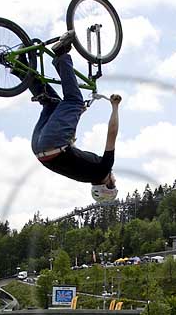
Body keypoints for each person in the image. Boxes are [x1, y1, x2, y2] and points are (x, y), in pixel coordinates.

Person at [19, 30, 120, 202]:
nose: (114, 179)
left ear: (107, 185)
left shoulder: (103, 168)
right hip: (39, 150)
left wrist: (115, 107)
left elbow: (112, 132)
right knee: (52, 103)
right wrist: (75, 120)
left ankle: (61, 54)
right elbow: (68, 150)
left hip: (54, 143)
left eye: (114, 184)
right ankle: (21, 68)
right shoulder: (84, 175)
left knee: (74, 100)